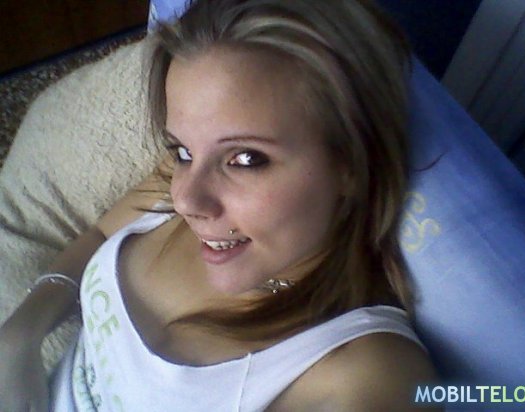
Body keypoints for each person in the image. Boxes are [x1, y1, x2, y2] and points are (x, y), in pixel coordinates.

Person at [0, 0, 440, 410]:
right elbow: (99, 235)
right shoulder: (179, 179)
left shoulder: (364, 375)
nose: (185, 200)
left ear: (353, 164)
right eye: (182, 150)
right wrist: (20, 336)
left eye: (246, 159)